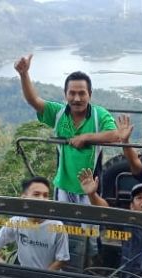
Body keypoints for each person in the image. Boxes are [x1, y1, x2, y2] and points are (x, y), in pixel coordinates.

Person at [14, 54, 121, 204]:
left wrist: (86, 137)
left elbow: (115, 135)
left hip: (91, 188)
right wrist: (24, 74)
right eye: (72, 93)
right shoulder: (58, 113)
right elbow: (34, 101)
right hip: (63, 186)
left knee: (89, 227)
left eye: (82, 93)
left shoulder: (99, 115)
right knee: (62, 227)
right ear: (65, 94)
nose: (77, 98)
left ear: (90, 94)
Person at [0, 176, 70, 271]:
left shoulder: (57, 226)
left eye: (45, 195)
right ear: (24, 198)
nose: (42, 199)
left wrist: (41, 277)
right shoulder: (16, 221)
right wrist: (5, 269)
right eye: (36, 194)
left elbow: (62, 259)